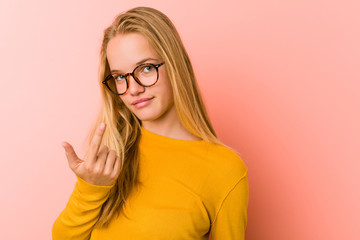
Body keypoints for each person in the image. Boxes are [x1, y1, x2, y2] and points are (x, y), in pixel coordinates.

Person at [52, 6, 249, 240]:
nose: (133, 89)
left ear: (175, 65)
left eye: (146, 68)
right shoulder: (110, 155)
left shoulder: (225, 170)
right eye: (119, 77)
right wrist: (90, 188)